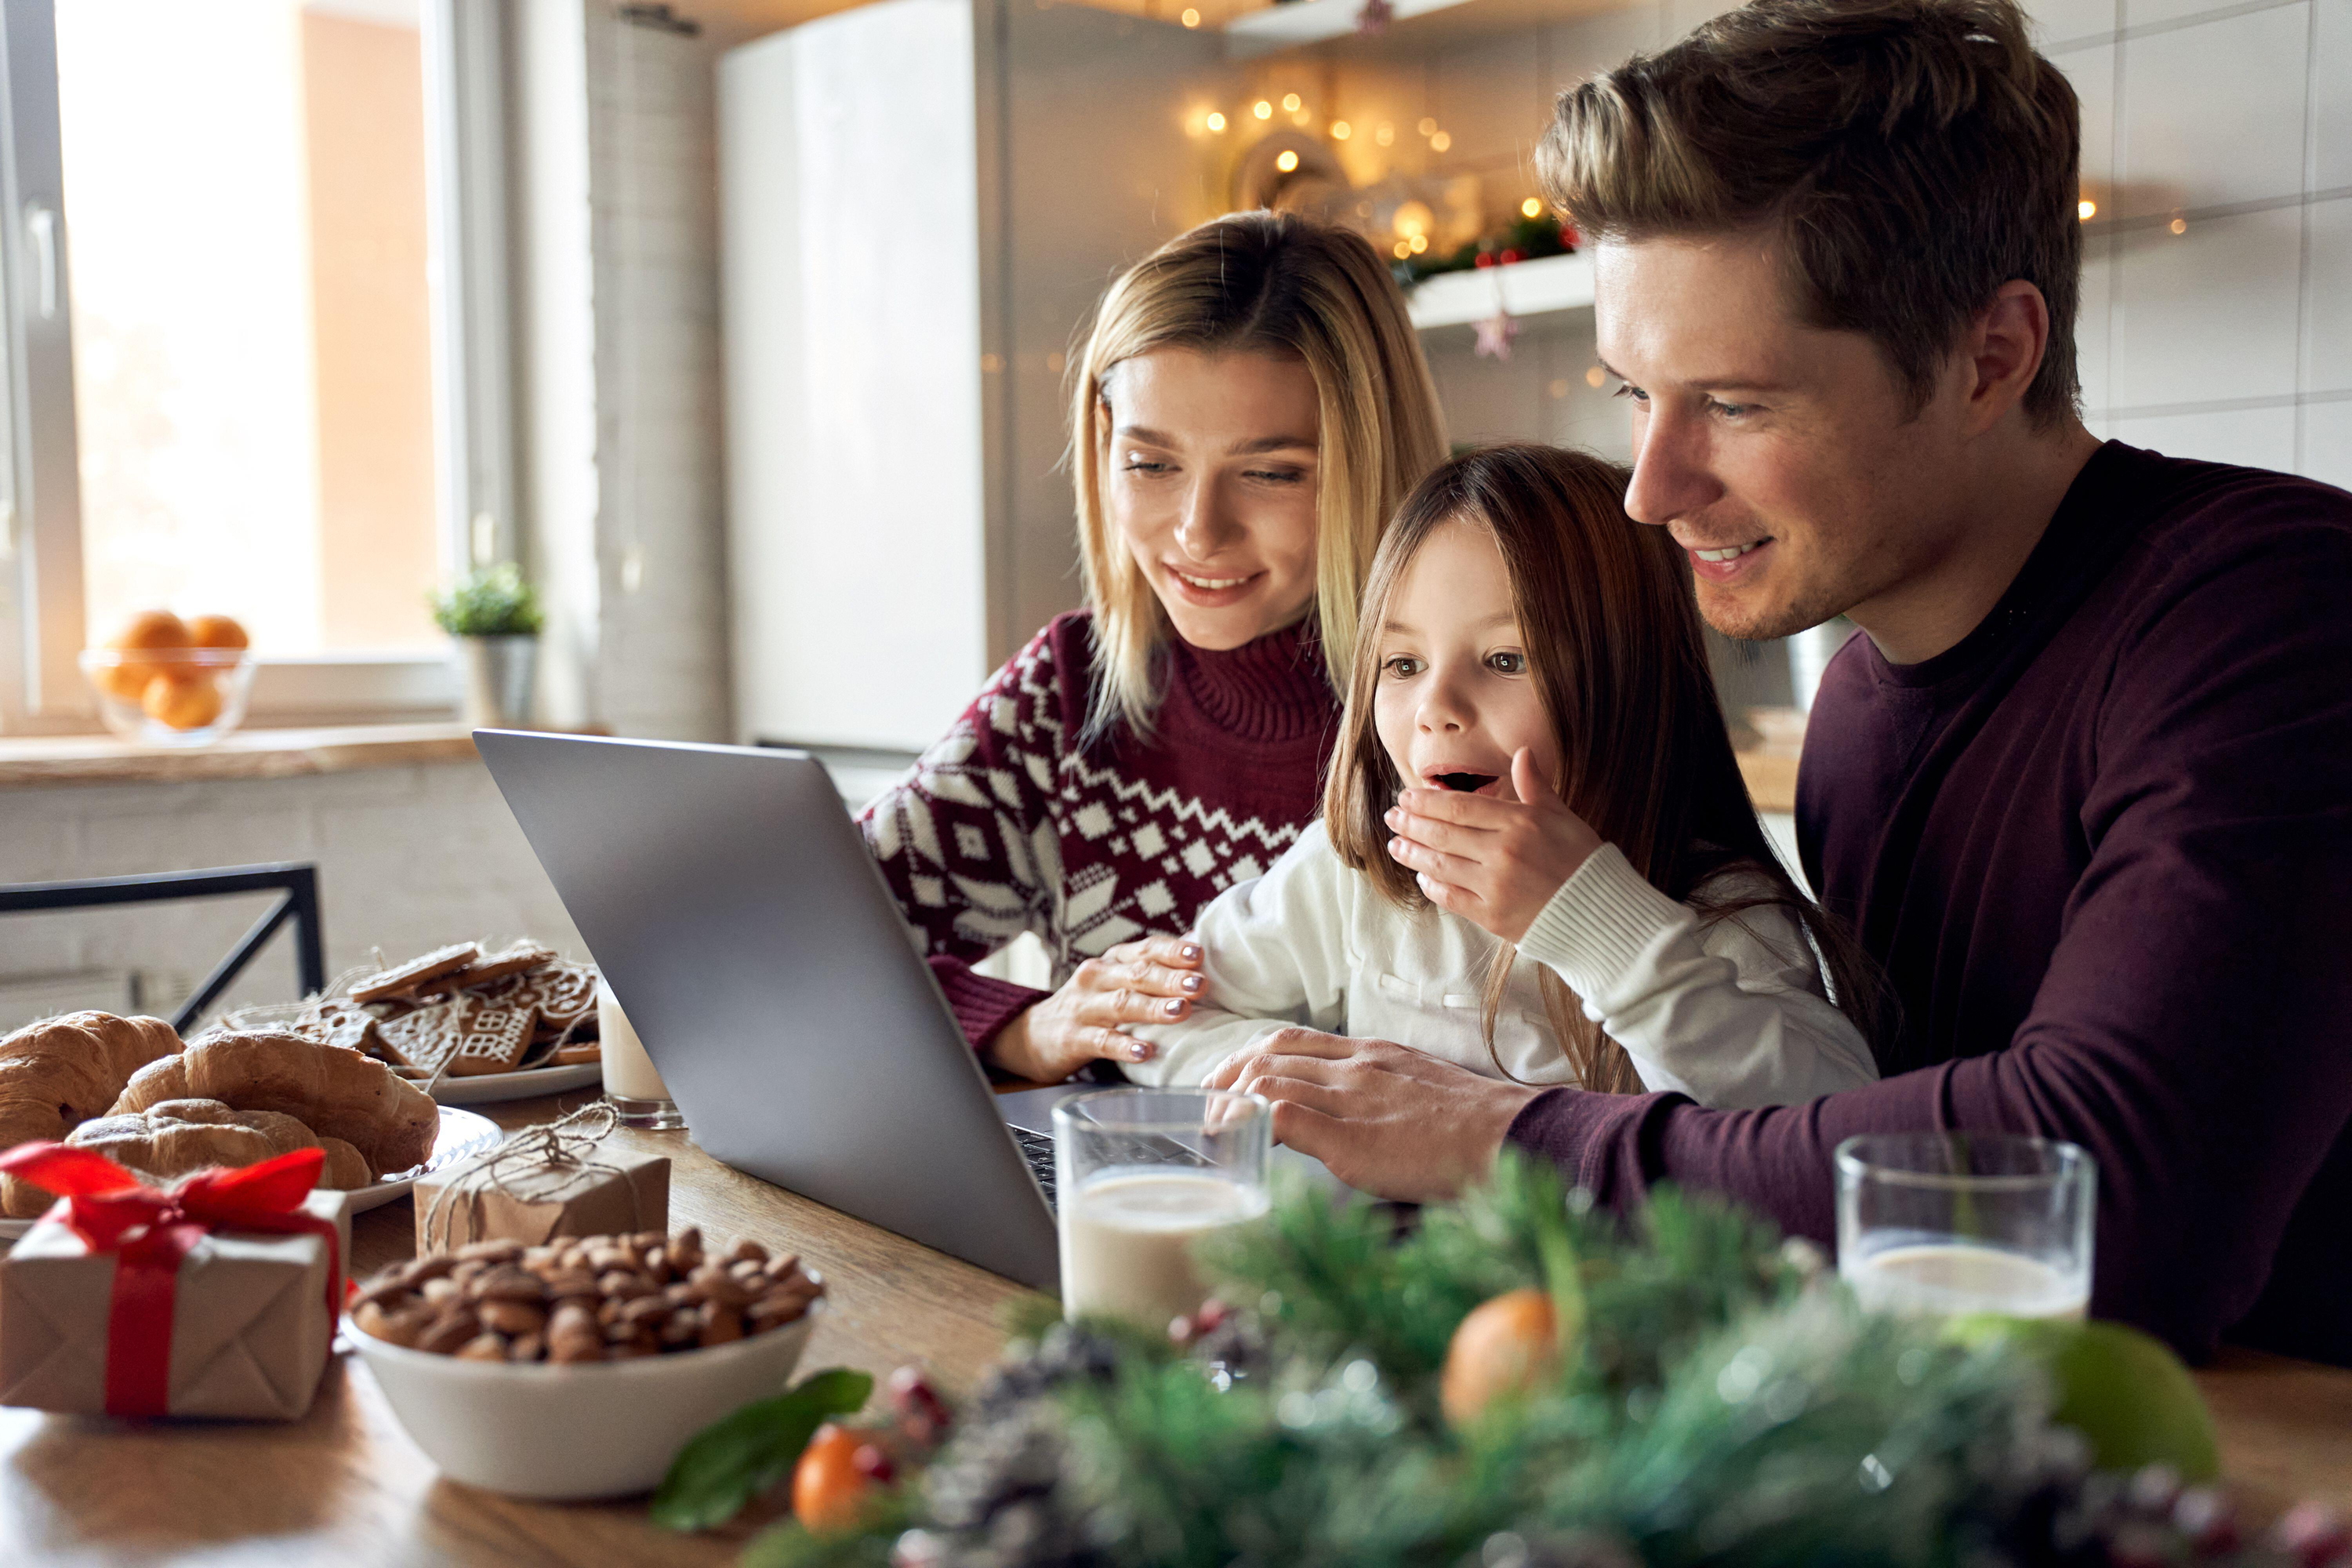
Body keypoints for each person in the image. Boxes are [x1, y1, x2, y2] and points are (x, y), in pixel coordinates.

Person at [1203, 0, 2352, 1363]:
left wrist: (1500, 1136)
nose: (1651, 486)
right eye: (1637, 395)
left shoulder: (2275, 614)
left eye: (1736, 405)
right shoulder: (1861, 707)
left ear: (1994, 356)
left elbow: (2116, 1189)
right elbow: (1849, 1125)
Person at [859, 211, 1449, 1087]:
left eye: (1271, 471)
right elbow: (808, 942)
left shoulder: (1466, 714)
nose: (1197, 531)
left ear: (1371, 458)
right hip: (1107, 1211)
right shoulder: (1071, 689)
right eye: (1150, 463)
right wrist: (1023, 1027)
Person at [1128, 443, 1880, 1105]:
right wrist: (1306, 1082)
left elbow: (1833, 1125)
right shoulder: (1361, 871)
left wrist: (1601, 927)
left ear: (1634, 685)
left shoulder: (1721, 913)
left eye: (1505, 660)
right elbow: (1164, 1016)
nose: (1436, 709)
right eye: (1403, 664)